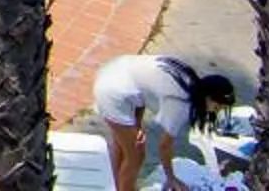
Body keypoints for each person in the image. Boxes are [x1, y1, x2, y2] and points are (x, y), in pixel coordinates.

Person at [93, 54, 237, 191]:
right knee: (135, 154)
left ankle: (114, 185)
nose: (215, 112)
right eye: (217, 107)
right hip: (113, 92)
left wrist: (135, 126)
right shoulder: (181, 105)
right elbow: (164, 147)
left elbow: (145, 87)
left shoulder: (189, 79)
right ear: (208, 97)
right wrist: (171, 178)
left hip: (118, 72)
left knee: (125, 144)